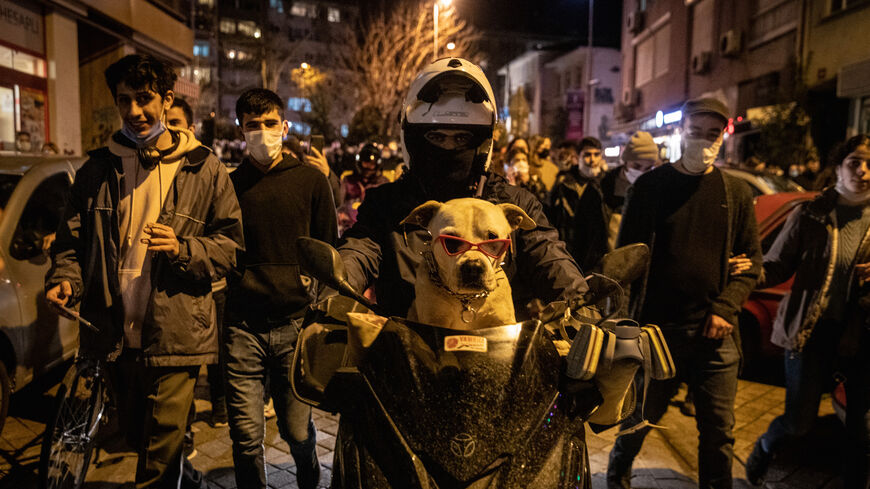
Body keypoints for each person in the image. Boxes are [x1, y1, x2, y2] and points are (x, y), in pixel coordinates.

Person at [45, 53, 244, 489]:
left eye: (145, 99)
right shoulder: (97, 169)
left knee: (159, 454)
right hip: (112, 332)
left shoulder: (204, 166)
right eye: (124, 101)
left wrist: (184, 248)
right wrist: (66, 279)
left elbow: (230, 247)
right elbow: (70, 244)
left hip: (177, 331)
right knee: (138, 438)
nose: (134, 111)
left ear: (167, 98)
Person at [606, 97, 762, 489]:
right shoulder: (651, 188)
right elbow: (626, 259)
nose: (704, 142)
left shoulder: (737, 193)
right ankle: (617, 473)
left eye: (713, 135)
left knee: (719, 431)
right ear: (680, 132)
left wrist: (727, 307)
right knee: (640, 417)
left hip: (716, 334)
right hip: (660, 333)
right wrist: (623, 322)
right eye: (696, 132)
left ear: (723, 137)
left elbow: (753, 265)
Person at [225, 88, 337, 489]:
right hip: (242, 326)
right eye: (253, 125)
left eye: (270, 124)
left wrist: (318, 313)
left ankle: (309, 477)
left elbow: (329, 251)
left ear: (285, 127)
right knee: (245, 437)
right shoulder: (229, 185)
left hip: (294, 325)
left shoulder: (311, 181)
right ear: (240, 130)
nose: (262, 132)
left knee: (297, 432)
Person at [743, 134, 870, 487]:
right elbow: (776, 266)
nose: (863, 171)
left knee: (862, 429)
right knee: (799, 422)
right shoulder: (810, 213)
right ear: (839, 167)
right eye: (854, 162)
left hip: (861, 335)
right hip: (810, 333)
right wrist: (744, 272)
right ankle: (765, 447)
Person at [167, 97, 229, 432]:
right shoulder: (150, 169)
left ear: (190, 129)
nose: (168, 129)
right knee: (179, 363)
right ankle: (183, 427)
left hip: (210, 283)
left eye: (175, 123)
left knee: (215, 353)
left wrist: (184, 248)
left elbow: (226, 237)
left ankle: (219, 406)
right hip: (171, 287)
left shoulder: (208, 169)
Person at [547, 136, 611, 273]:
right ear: (578, 156)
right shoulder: (564, 184)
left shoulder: (608, 183)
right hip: (570, 251)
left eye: (596, 154)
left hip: (598, 255)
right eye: (587, 155)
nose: (592, 160)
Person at [599, 131, 659, 249]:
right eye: (636, 166)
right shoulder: (603, 186)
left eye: (647, 168)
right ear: (625, 161)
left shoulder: (655, 190)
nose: (641, 172)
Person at [337, 142, 389, 233]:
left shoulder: (383, 183)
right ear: (360, 163)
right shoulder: (348, 180)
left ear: (377, 165)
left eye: (371, 164)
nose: (368, 167)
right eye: (366, 163)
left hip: (374, 229)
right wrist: (341, 215)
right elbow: (338, 203)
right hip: (349, 228)